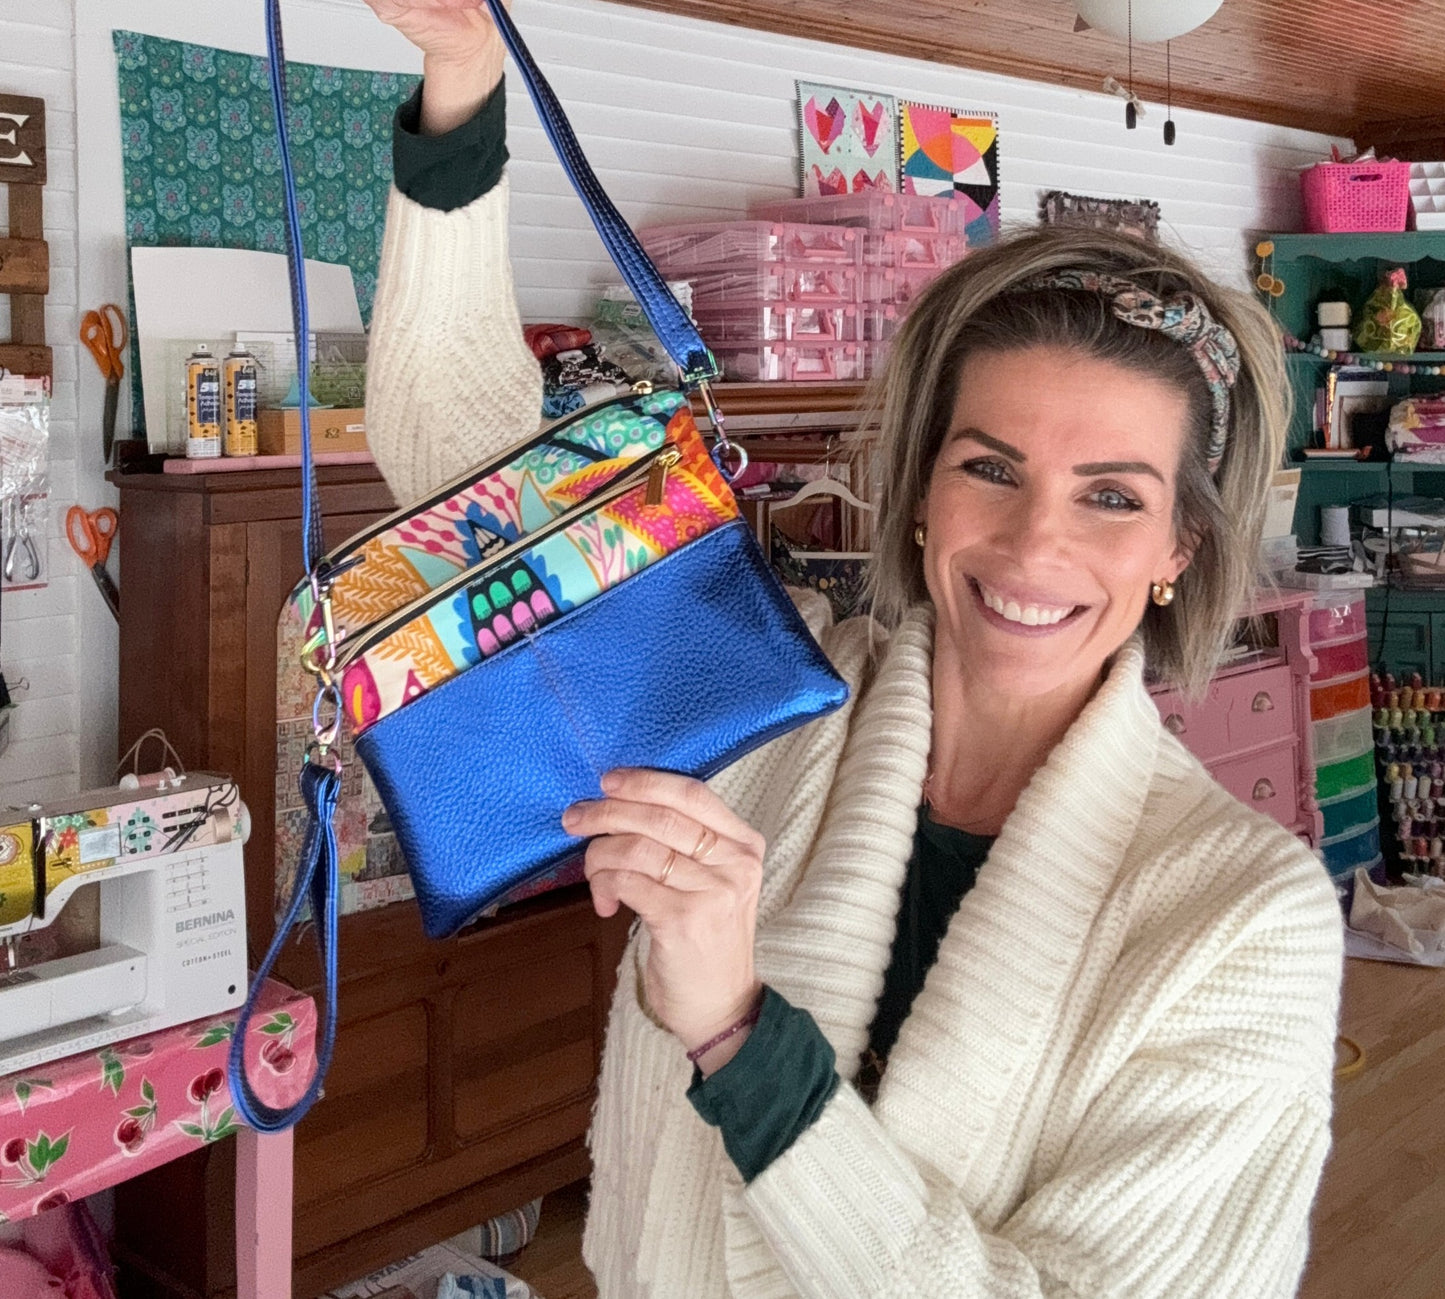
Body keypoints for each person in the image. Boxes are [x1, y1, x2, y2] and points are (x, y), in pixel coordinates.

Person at [361, 4, 1344, 1295]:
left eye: (1110, 496)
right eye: (989, 468)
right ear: (922, 491)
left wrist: (735, 1035)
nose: (1032, 544)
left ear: (1178, 551)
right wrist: (460, 80)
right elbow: (473, 512)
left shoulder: (1236, 922)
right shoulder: (765, 708)